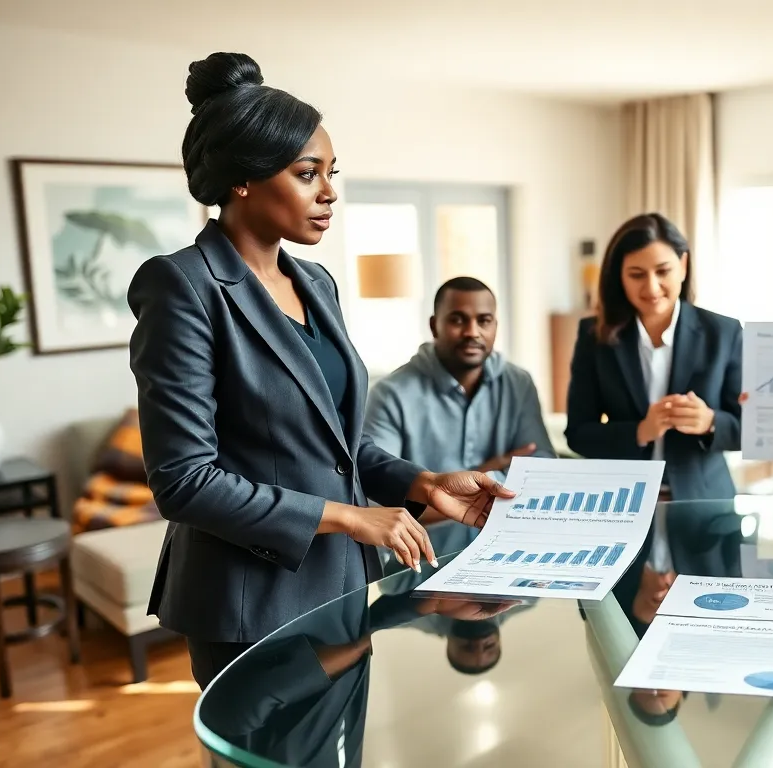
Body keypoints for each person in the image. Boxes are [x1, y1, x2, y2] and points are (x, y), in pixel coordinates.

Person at [128, 52, 512, 689]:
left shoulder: (316, 283)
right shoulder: (183, 287)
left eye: (332, 173)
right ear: (243, 179)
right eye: (309, 174)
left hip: (340, 581)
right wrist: (351, 517)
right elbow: (184, 480)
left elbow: (342, 444)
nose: (330, 192)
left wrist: (424, 483)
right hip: (248, 604)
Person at [565, 213, 743, 501]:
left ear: (683, 266)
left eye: (663, 271)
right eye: (636, 274)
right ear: (619, 276)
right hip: (621, 503)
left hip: (704, 504)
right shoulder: (593, 336)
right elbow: (578, 434)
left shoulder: (724, 333)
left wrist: (710, 422)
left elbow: (749, 429)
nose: (651, 287)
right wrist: (640, 431)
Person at [365, 276, 555, 486]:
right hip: (421, 521)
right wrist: (488, 472)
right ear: (434, 326)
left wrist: (430, 490)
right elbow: (380, 490)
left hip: (503, 517)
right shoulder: (390, 394)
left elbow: (541, 469)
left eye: (484, 321)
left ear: (495, 326)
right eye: (457, 320)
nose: (472, 332)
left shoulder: (519, 383)